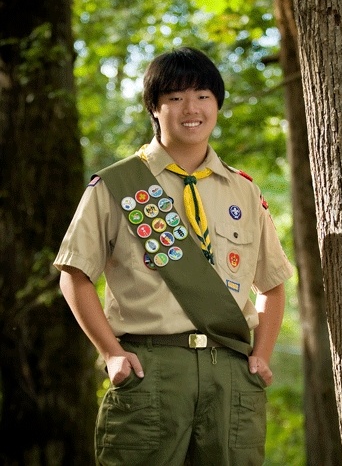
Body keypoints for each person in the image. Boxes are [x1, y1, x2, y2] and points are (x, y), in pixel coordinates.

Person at [54, 47, 293, 466]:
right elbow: (74, 274)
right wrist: (111, 353)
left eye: (203, 95)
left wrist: (262, 354)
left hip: (230, 375)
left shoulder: (244, 191)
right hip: (150, 372)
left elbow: (271, 284)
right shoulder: (117, 184)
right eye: (176, 97)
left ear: (217, 104)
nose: (191, 108)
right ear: (155, 107)